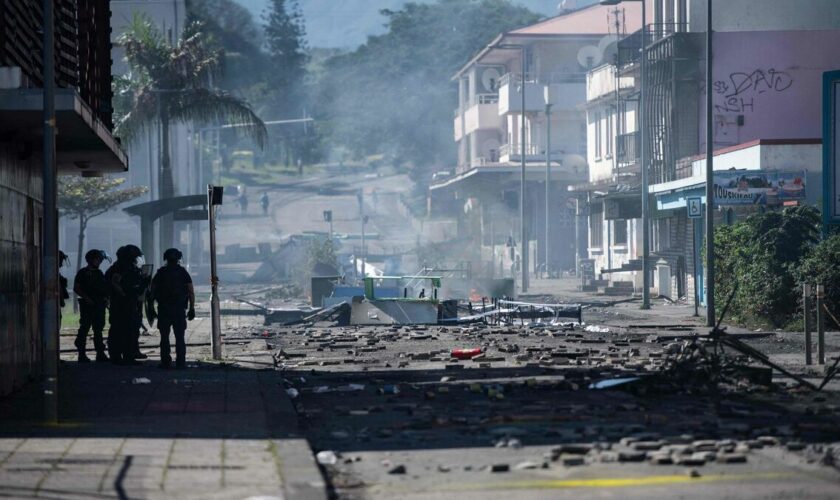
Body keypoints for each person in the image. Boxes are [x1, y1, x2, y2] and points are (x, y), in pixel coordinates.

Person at [149, 248, 195, 369]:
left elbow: (152, 292)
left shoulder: (160, 273)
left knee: (164, 337)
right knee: (180, 337)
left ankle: (165, 362)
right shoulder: (183, 273)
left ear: (166, 258)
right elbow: (191, 292)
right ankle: (181, 362)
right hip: (179, 310)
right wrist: (191, 308)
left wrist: (151, 309)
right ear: (179, 258)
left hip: (164, 310)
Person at [105, 245, 148, 365]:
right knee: (122, 330)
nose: (136, 260)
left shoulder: (127, 267)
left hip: (127, 303)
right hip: (122, 304)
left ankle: (124, 355)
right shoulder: (121, 267)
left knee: (128, 329)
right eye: (134, 257)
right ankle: (121, 356)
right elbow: (115, 282)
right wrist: (124, 295)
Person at [73, 249, 110, 363]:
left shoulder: (99, 273)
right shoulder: (83, 273)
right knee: (84, 328)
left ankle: (100, 353)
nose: (99, 262)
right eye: (98, 259)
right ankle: (81, 353)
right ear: (91, 260)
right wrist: (87, 298)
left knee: (98, 329)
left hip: (99, 305)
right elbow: (77, 288)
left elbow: (103, 288)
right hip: (88, 305)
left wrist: (106, 299)